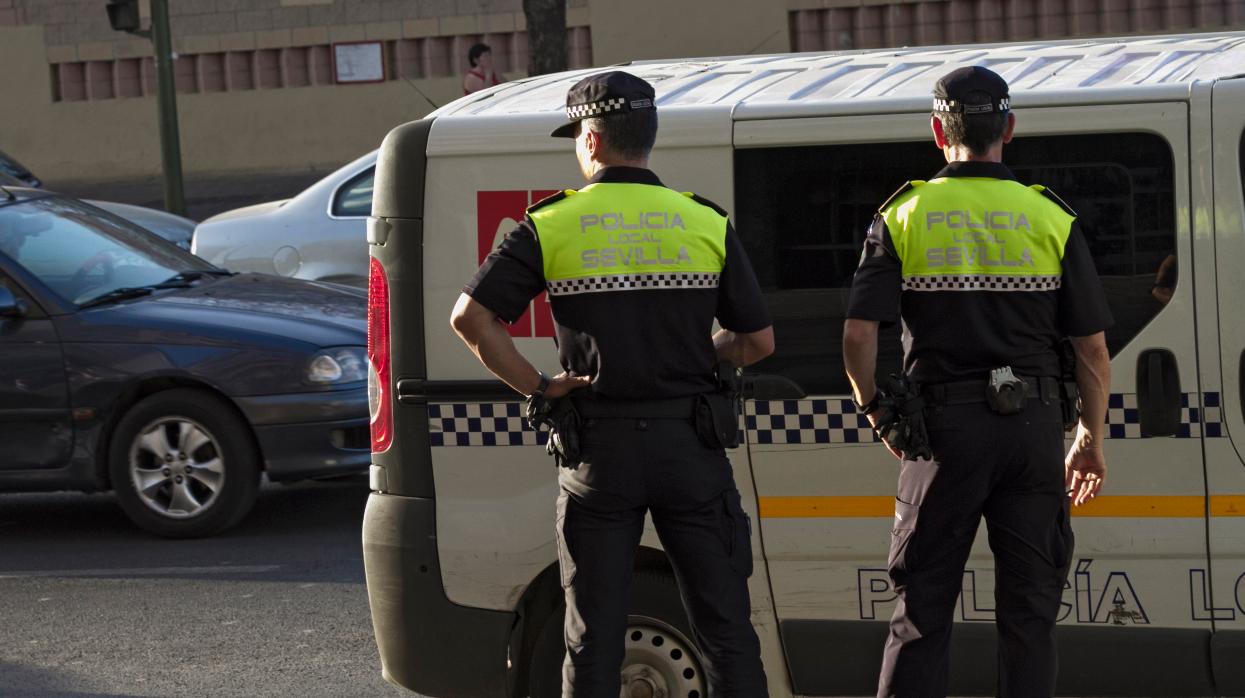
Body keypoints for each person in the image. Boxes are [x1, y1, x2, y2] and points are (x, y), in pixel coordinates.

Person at [450, 71, 773, 697]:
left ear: (592, 142)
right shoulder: (703, 222)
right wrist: (698, 355)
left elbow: (471, 318)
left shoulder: (553, 224)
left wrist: (539, 387)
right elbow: (757, 341)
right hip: (691, 448)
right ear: (647, 137)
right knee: (726, 631)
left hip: (600, 452)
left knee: (592, 636)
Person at [841, 66, 1114, 698]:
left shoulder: (903, 214)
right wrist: (1089, 438)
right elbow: (1093, 350)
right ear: (1009, 129)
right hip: (1033, 434)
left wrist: (878, 411)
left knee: (921, 614)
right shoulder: (1050, 218)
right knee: (1030, 617)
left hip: (941, 437)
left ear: (938, 132)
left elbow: (858, 337)